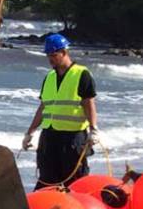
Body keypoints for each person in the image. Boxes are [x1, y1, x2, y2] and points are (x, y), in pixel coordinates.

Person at [20, 32, 100, 189]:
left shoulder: (81, 74)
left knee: (75, 181)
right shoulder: (49, 77)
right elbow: (43, 107)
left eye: (54, 55)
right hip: (49, 136)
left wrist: (93, 130)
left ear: (64, 52)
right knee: (47, 180)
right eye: (48, 55)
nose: (50, 59)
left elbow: (89, 103)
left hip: (72, 138)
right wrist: (29, 133)